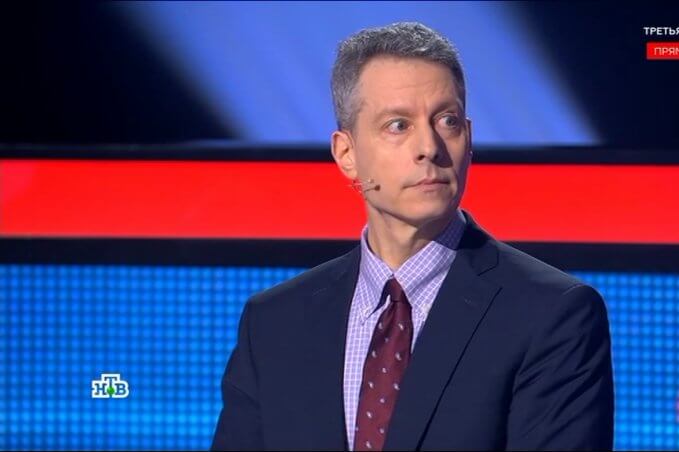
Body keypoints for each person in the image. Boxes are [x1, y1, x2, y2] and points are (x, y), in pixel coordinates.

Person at [212, 21, 613, 451]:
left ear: (468, 138)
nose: (429, 147)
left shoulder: (551, 314)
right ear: (347, 153)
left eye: (447, 121)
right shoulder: (274, 323)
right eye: (398, 125)